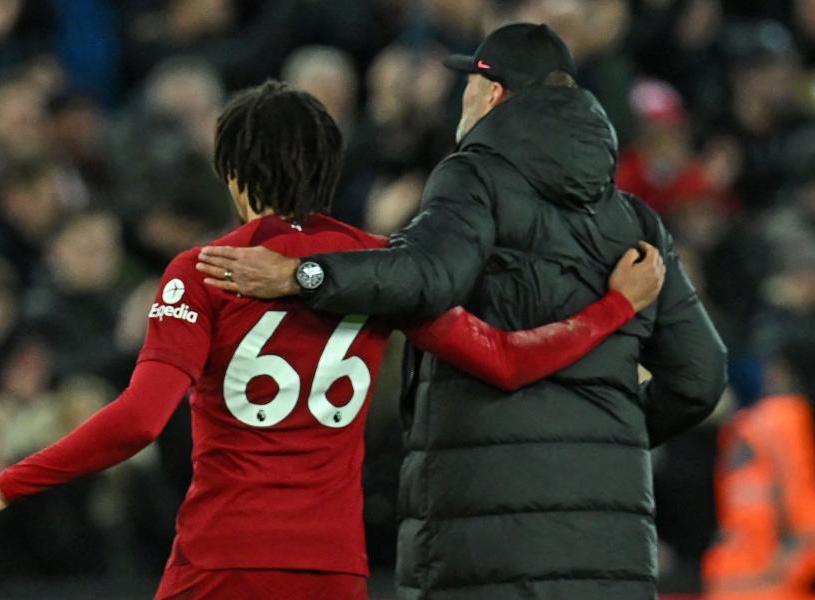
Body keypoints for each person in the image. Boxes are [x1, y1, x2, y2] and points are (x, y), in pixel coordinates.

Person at [0, 81, 664, 600]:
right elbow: (504, 360)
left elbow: (137, 420)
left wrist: (3, 487)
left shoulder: (206, 271)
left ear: (233, 172)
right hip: (332, 570)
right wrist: (612, 309)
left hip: (224, 561)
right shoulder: (379, 269)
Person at [197, 24, 727, 600]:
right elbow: (701, 376)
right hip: (612, 549)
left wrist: (302, 275)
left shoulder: (473, 176)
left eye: (468, 85)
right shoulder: (636, 220)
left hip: (484, 543)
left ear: (491, 93)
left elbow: (424, 278)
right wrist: (599, 442)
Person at [703, 331, 815, 600]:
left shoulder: (754, 422)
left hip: (734, 580)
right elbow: (802, 513)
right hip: (766, 583)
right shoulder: (781, 418)